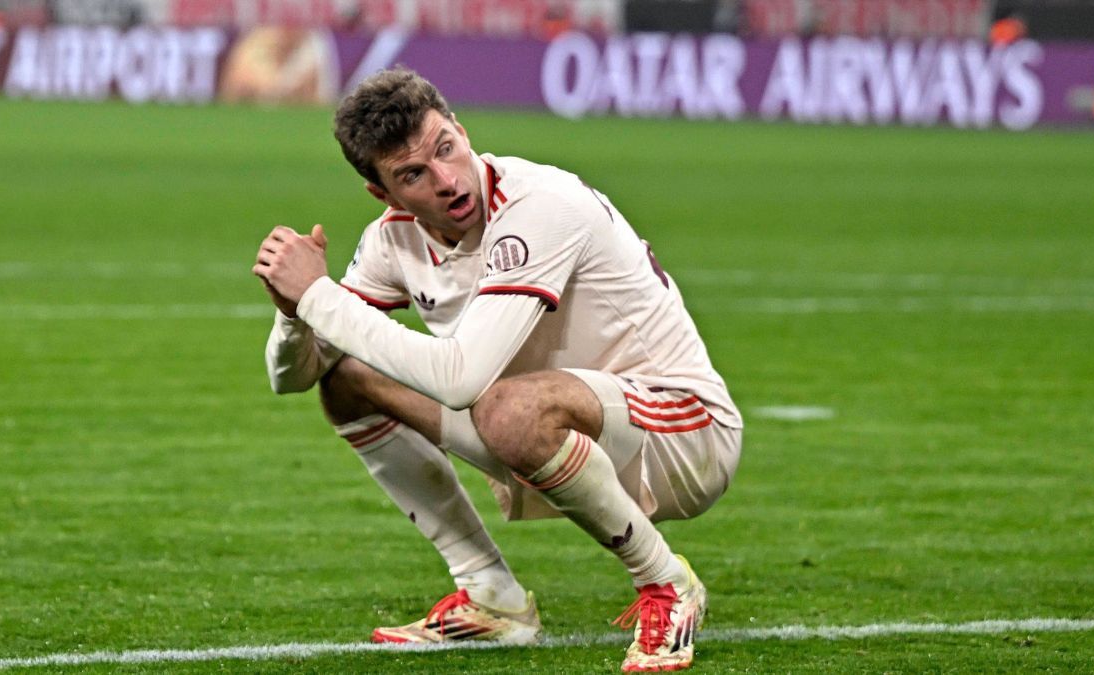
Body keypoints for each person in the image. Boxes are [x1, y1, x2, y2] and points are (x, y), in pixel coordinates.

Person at [252, 67, 742, 672]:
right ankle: (490, 596)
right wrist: (294, 313)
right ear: (382, 193)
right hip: (565, 432)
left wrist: (319, 297)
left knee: (502, 406)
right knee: (349, 382)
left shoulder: (539, 205)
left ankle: (668, 583)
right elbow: (292, 378)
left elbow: (461, 379)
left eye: (446, 149)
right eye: (414, 174)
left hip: (684, 432)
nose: (448, 180)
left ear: (460, 129)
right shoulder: (393, 241)